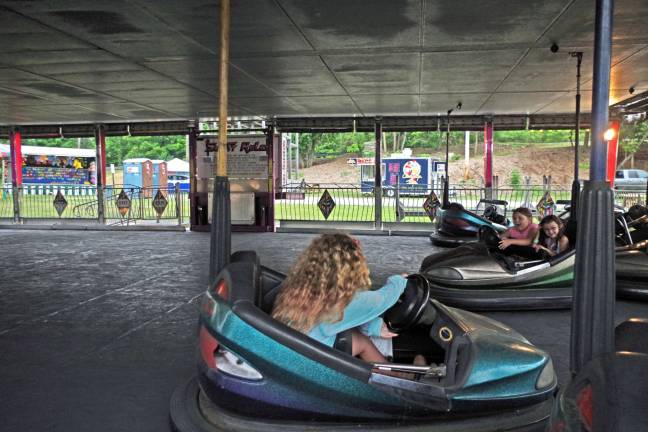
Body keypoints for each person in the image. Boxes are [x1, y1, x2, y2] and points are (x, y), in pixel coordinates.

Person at [272, 233, 423, 367]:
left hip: (294, 352)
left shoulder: (303, 289)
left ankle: (395, 373)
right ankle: (399, 379)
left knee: (357, 335)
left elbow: (347, 317)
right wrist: (401, 281)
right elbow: (382, 300)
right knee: (362, 342)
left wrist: (374, 326)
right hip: (312, 363)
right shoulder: (343, 301)